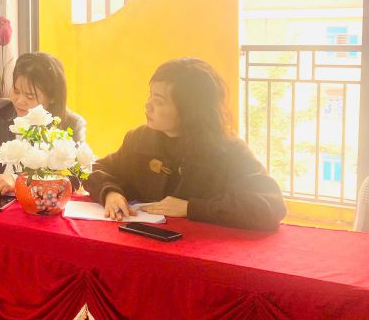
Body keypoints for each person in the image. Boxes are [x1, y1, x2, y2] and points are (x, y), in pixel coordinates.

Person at [85, 57, 286, 231]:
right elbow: (94, 169)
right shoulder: (140, 139)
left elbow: (270, 207)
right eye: (150, 95)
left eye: (159, 101)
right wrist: (109, 192)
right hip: (144, 245)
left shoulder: (228, 150)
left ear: (190, 111)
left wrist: (191, 208)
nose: (148, 105)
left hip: (202, 252)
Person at [0, 52, 86, 196]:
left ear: (52, 97)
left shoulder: (70, 125)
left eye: (30, 96)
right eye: (16, 91)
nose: (20, 101)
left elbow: (73, 179)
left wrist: (17, 180)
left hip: (38, 205)